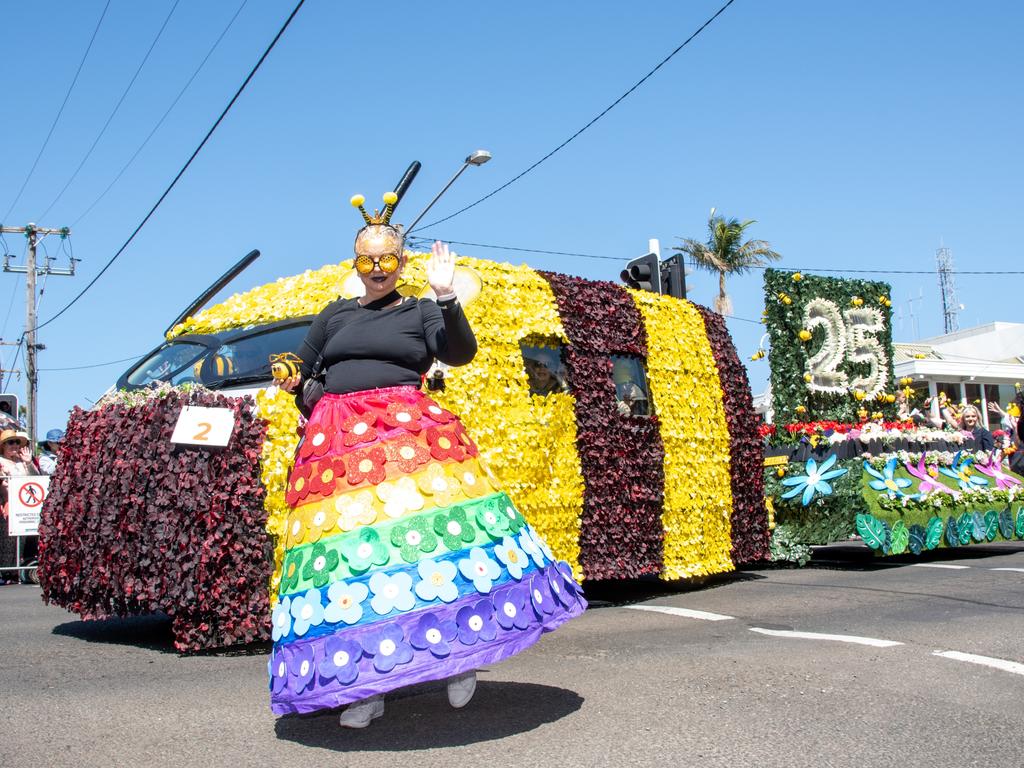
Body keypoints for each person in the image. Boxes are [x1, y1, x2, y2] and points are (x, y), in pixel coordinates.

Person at [271, 192, 585, 727]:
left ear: (402, 263)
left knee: (429, 550)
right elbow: (300, 362)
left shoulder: (420, 310)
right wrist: (296, 380)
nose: (376, 269)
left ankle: (460, 657)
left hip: (409, 441)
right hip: (342, 447)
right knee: (361, 558)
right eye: (367, 260)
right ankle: (368, 687)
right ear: (355, 263)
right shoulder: (335, 314)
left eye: (386, 259)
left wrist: (446, 298)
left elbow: (460, 353)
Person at [0, 429, 41, 584]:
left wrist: (28, 462)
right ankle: (6, 573)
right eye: (11, 442)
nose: (15, 445)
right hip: (8, 504)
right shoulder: (1, 461)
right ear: (3, 445)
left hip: (24, 507)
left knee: (24, 538)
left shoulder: (23, 462)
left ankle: (22, 570)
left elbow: (37, 479)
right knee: (8, 539)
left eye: (17, 442)